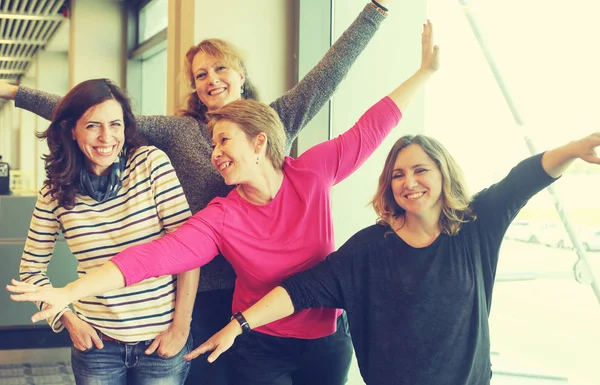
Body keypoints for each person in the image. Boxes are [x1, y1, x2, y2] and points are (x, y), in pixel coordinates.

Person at [7, 19, 438, 385]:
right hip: (233, 315)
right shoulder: (215, 201)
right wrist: (71, 293)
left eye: (221, 68)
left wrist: (418, 67)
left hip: (319, 329)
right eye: (200, 74)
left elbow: (365, 115)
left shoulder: (308, 164)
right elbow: (156, 254)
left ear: (260, 141)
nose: (215, 153)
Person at [180, 132, 600, 385]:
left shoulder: (476, 226)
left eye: (421, 170)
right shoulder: (369, 248)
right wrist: (239, 324)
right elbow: (302, 289)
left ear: (442, 173)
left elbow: (524, 178)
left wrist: (575, 148)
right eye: (398, 174)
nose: (409, 182)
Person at [18, 78, 194, 384]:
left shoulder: (150, 164)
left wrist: (181, 326)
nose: (106, 137)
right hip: (96, 345)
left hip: (161, 341)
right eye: (92, 126)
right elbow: (31, 270)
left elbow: (188, 250)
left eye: (115, 124)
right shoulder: (55, 191)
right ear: (72, 130)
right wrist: (67, 320)